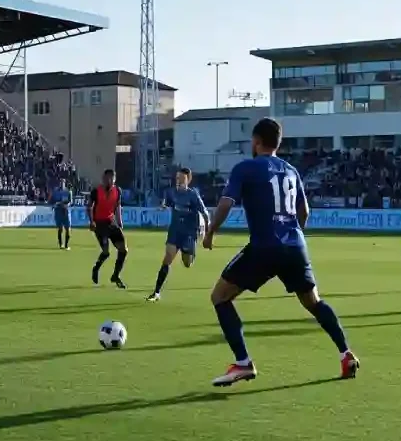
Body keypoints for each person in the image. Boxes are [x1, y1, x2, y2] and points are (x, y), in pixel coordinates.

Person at [202, 118, 359, 387]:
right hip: (295, 245)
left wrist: (210, 231)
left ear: (256, 141)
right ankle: (346, 354)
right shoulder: (291, 170)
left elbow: (227, 202)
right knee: (314, 302)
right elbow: (304, 212)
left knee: (220, 297)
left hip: (265, 245)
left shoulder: (246, 168)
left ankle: (242, 363)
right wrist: (292, 235)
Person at [146, 167, 209, 302]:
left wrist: (208, 232)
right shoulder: (171, 192)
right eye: (177, 178)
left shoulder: (193, 195)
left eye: (182, 178)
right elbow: (167, 202)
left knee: (187, 263)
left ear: (188, 180)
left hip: (189, 234)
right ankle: (156, 292)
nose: (179, 181)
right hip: (175, 231)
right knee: (168, 258)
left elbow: (205, 213)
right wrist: (163, 206)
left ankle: (191, 253)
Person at [87, 169, 127, 289]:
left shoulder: (117, 191)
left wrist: (120, 221)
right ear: (103, 179)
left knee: (123, 249)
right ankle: (96, 268)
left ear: (114, 179)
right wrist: (92, 221)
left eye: (111, 178)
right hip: (99, 224)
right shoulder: (96, 191)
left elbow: (118, 205)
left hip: (111, 222)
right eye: (106, 178)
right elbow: (89, 207)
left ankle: (115, 275)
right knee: (106, 252)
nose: (108, 180)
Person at [50, 179, 73, 250]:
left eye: (63, 182)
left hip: (66, 212)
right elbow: (51, 201)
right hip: (58, 212)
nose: (62, 183)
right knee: (60, 229)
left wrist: (67, 205)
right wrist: (54, 205)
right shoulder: (55, 191)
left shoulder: (68, 191)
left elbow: (71, 201)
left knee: (68, 229)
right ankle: (61, 245)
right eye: (61, 182)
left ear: (65, 183)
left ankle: (66, 245)